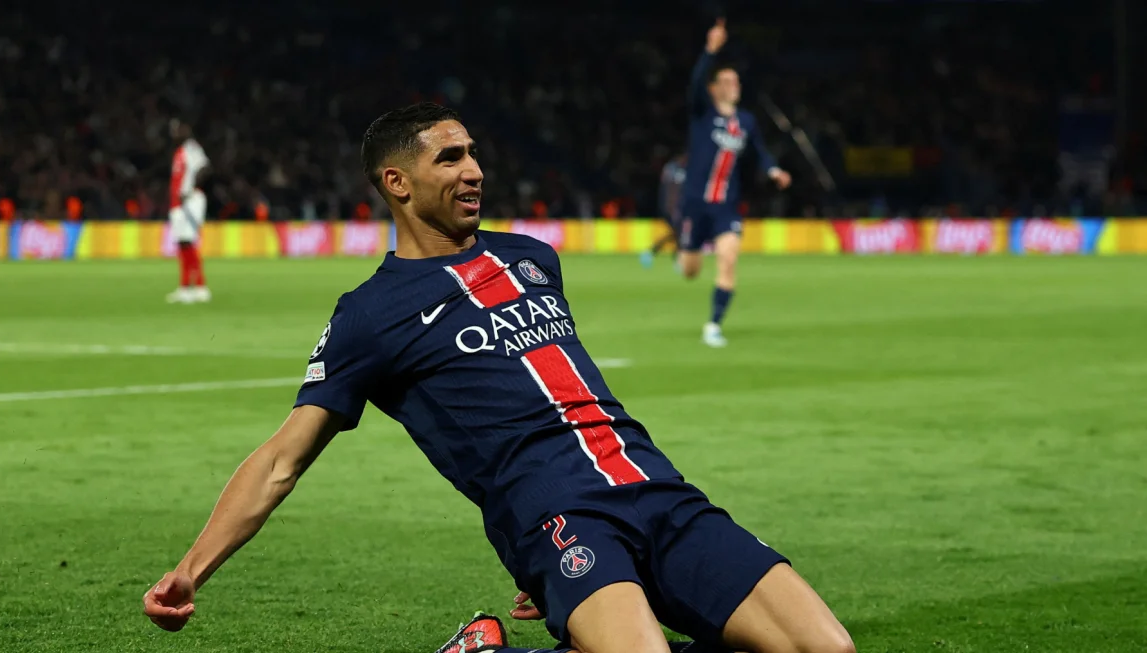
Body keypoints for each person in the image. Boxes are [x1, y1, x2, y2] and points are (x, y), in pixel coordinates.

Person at [143, 103, 853, 653]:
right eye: (449, 158)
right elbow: (281, 459)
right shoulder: (370, 314)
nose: (474, 170)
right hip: (559, 517)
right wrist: (191, 570)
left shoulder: (533, 258)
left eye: (474, 153)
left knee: (826, 647)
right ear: (396, 182)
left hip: (658, 489)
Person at [680, 19, 791, 348]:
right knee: (690, 270)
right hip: (695, 204)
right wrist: (710, 51)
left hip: (726, 206)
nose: (734, 85)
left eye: (736, 80)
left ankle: (713, 325)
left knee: (728, 260)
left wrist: (773, 170)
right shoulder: (702, 113)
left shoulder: (746, 122)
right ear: (714, 88)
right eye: (727, 81)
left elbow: (760, 152)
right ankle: (684, 254)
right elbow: (695, 81)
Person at [166, 119, 211, 304]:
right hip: (178, 204)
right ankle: (185, 288)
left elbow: (205, 167)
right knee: (183, 245)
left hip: (188, 202)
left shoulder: (191, 148)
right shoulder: (179, 151)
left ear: (186, 130)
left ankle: (201, 287)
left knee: (188, 243)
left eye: (178, 130)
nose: (174, 133)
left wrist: (191, 188)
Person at [640, 154, 687, 270]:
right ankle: (674, 260)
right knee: (677, 234)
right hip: (671, 208)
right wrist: (672, 209)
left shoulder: (673, 169)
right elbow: (671, 191)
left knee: (676, 234)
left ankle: (652, 253)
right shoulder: (675, 170)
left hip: (672, 207)